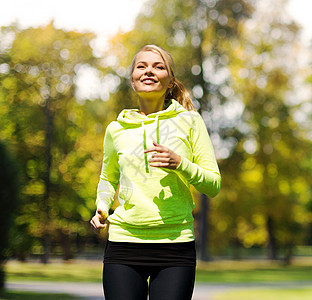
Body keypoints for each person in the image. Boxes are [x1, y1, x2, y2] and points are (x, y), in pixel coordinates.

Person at [90, 44, 221, 300]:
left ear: (170, 80)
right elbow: (107, 178)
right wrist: (102, 206)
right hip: (124, 243)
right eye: (142, 66)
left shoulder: (190, 121)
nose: (149, 71)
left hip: (175, 246)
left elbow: (213, 184)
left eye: (158, 66)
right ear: (133, 78)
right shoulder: (116, 129)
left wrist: (180, 163)